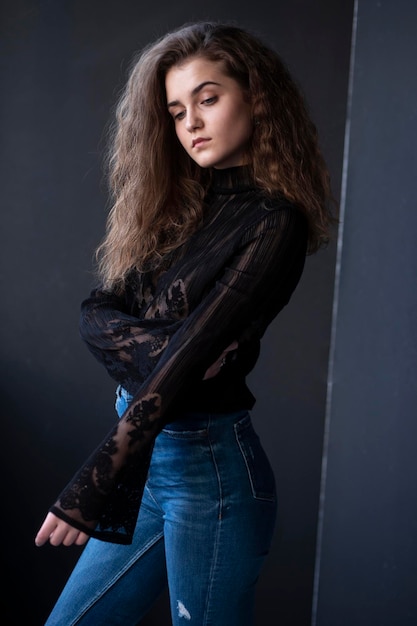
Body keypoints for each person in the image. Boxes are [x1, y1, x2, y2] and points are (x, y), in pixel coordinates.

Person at [35, 20, 336, 625]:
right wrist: (181, 349)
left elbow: (185, 362)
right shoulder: (178, 208)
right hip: (152, 469)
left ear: (255, 97)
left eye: (208, 98)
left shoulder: (275, 223)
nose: (191, 124)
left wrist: (92, 482)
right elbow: (96, 313)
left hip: (211, 478)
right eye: (176, 112)